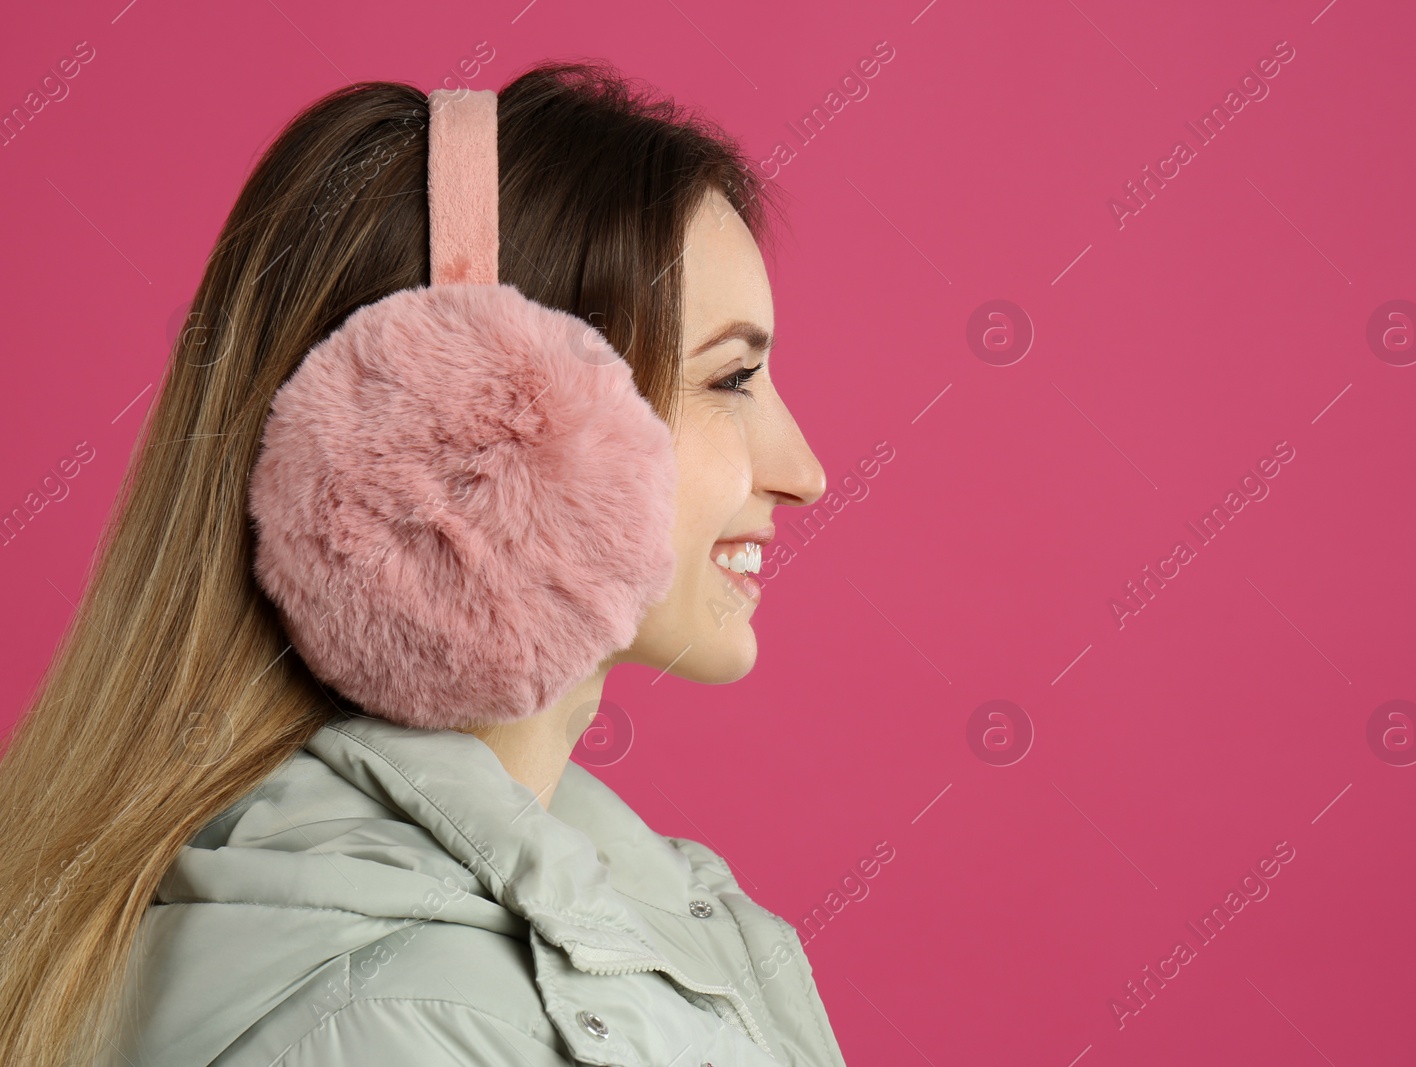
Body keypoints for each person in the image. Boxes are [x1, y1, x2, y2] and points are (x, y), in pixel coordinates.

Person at [0, 62, 841, 1067]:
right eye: (731, 377)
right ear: (464, 431)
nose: (806, 473)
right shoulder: (411, 1023)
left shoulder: (625, 920)